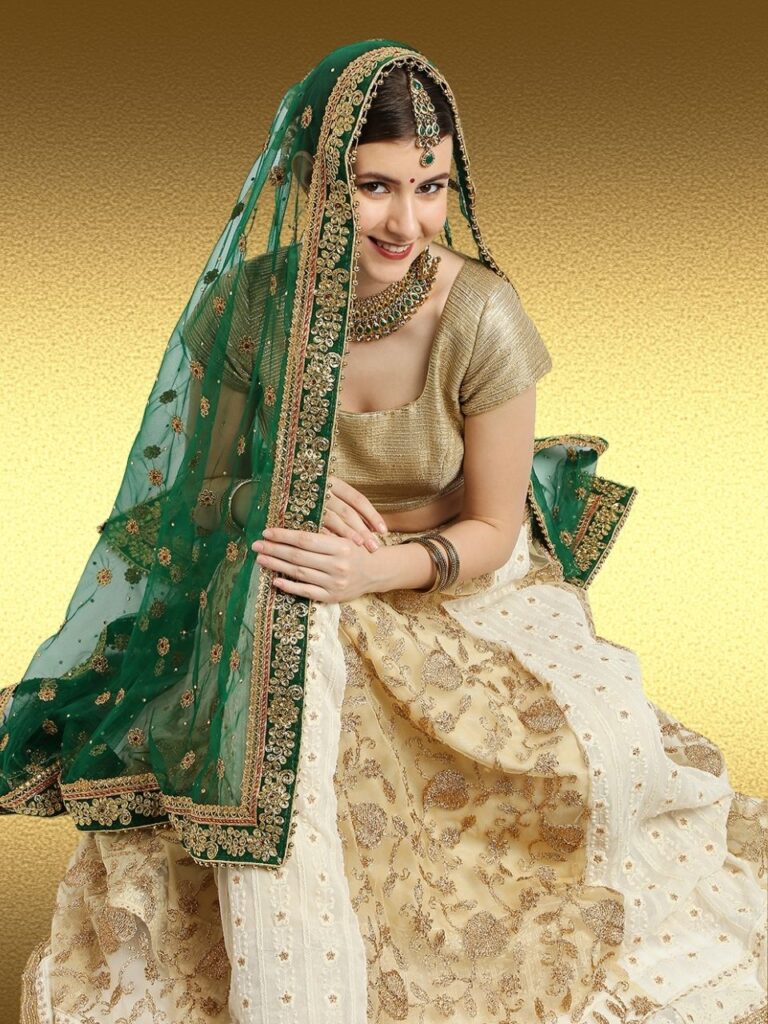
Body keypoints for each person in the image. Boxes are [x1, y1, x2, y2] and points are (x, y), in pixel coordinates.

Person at [2, 38, 766, 1024]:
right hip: (292, 575)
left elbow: (493, 527)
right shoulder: (255, 306)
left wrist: (373, 569)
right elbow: (201, 496)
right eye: (375, 187)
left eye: (430, 186)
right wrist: (279, 493)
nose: (407, 221)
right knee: (283, 618)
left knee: (591, 764)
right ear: (314, 185)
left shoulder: (480, 314)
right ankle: (297, 984)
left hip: (457, 586)